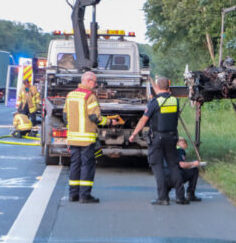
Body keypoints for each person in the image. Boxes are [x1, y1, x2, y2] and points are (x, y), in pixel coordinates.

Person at [129, 76, 186, 205]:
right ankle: (180, 197)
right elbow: (161, 91)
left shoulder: (154, 102)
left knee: (157, 166)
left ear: (158, 87)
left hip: (157, 138)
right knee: (173, 165)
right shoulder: (174, 101)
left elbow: (143, 120)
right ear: (169, 86)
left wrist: (134, 134)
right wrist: (151, 80)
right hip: (172, 137)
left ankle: (163, 197)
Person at [64, 71, 117, 203]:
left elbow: (65, 117)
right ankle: (85, 196)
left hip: (73, 138)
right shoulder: (90, 96)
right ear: (88, 81)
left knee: (75, 165)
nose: (96, 84)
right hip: (86, 139)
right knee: (87, 166)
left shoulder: (70, 95)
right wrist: (110, 122)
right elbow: (95, 118)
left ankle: (73, 195)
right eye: (95, 82)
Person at [164, 138, 202, 202]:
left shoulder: (169, 149)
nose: (186, 146)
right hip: (176, 177)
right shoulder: (180, 150)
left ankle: (164, 193)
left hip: (165, 177)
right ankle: (190, 194)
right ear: (182, 143)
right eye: (185, 144)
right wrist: (193, 163)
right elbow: (181, 164)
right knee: (194, 170)